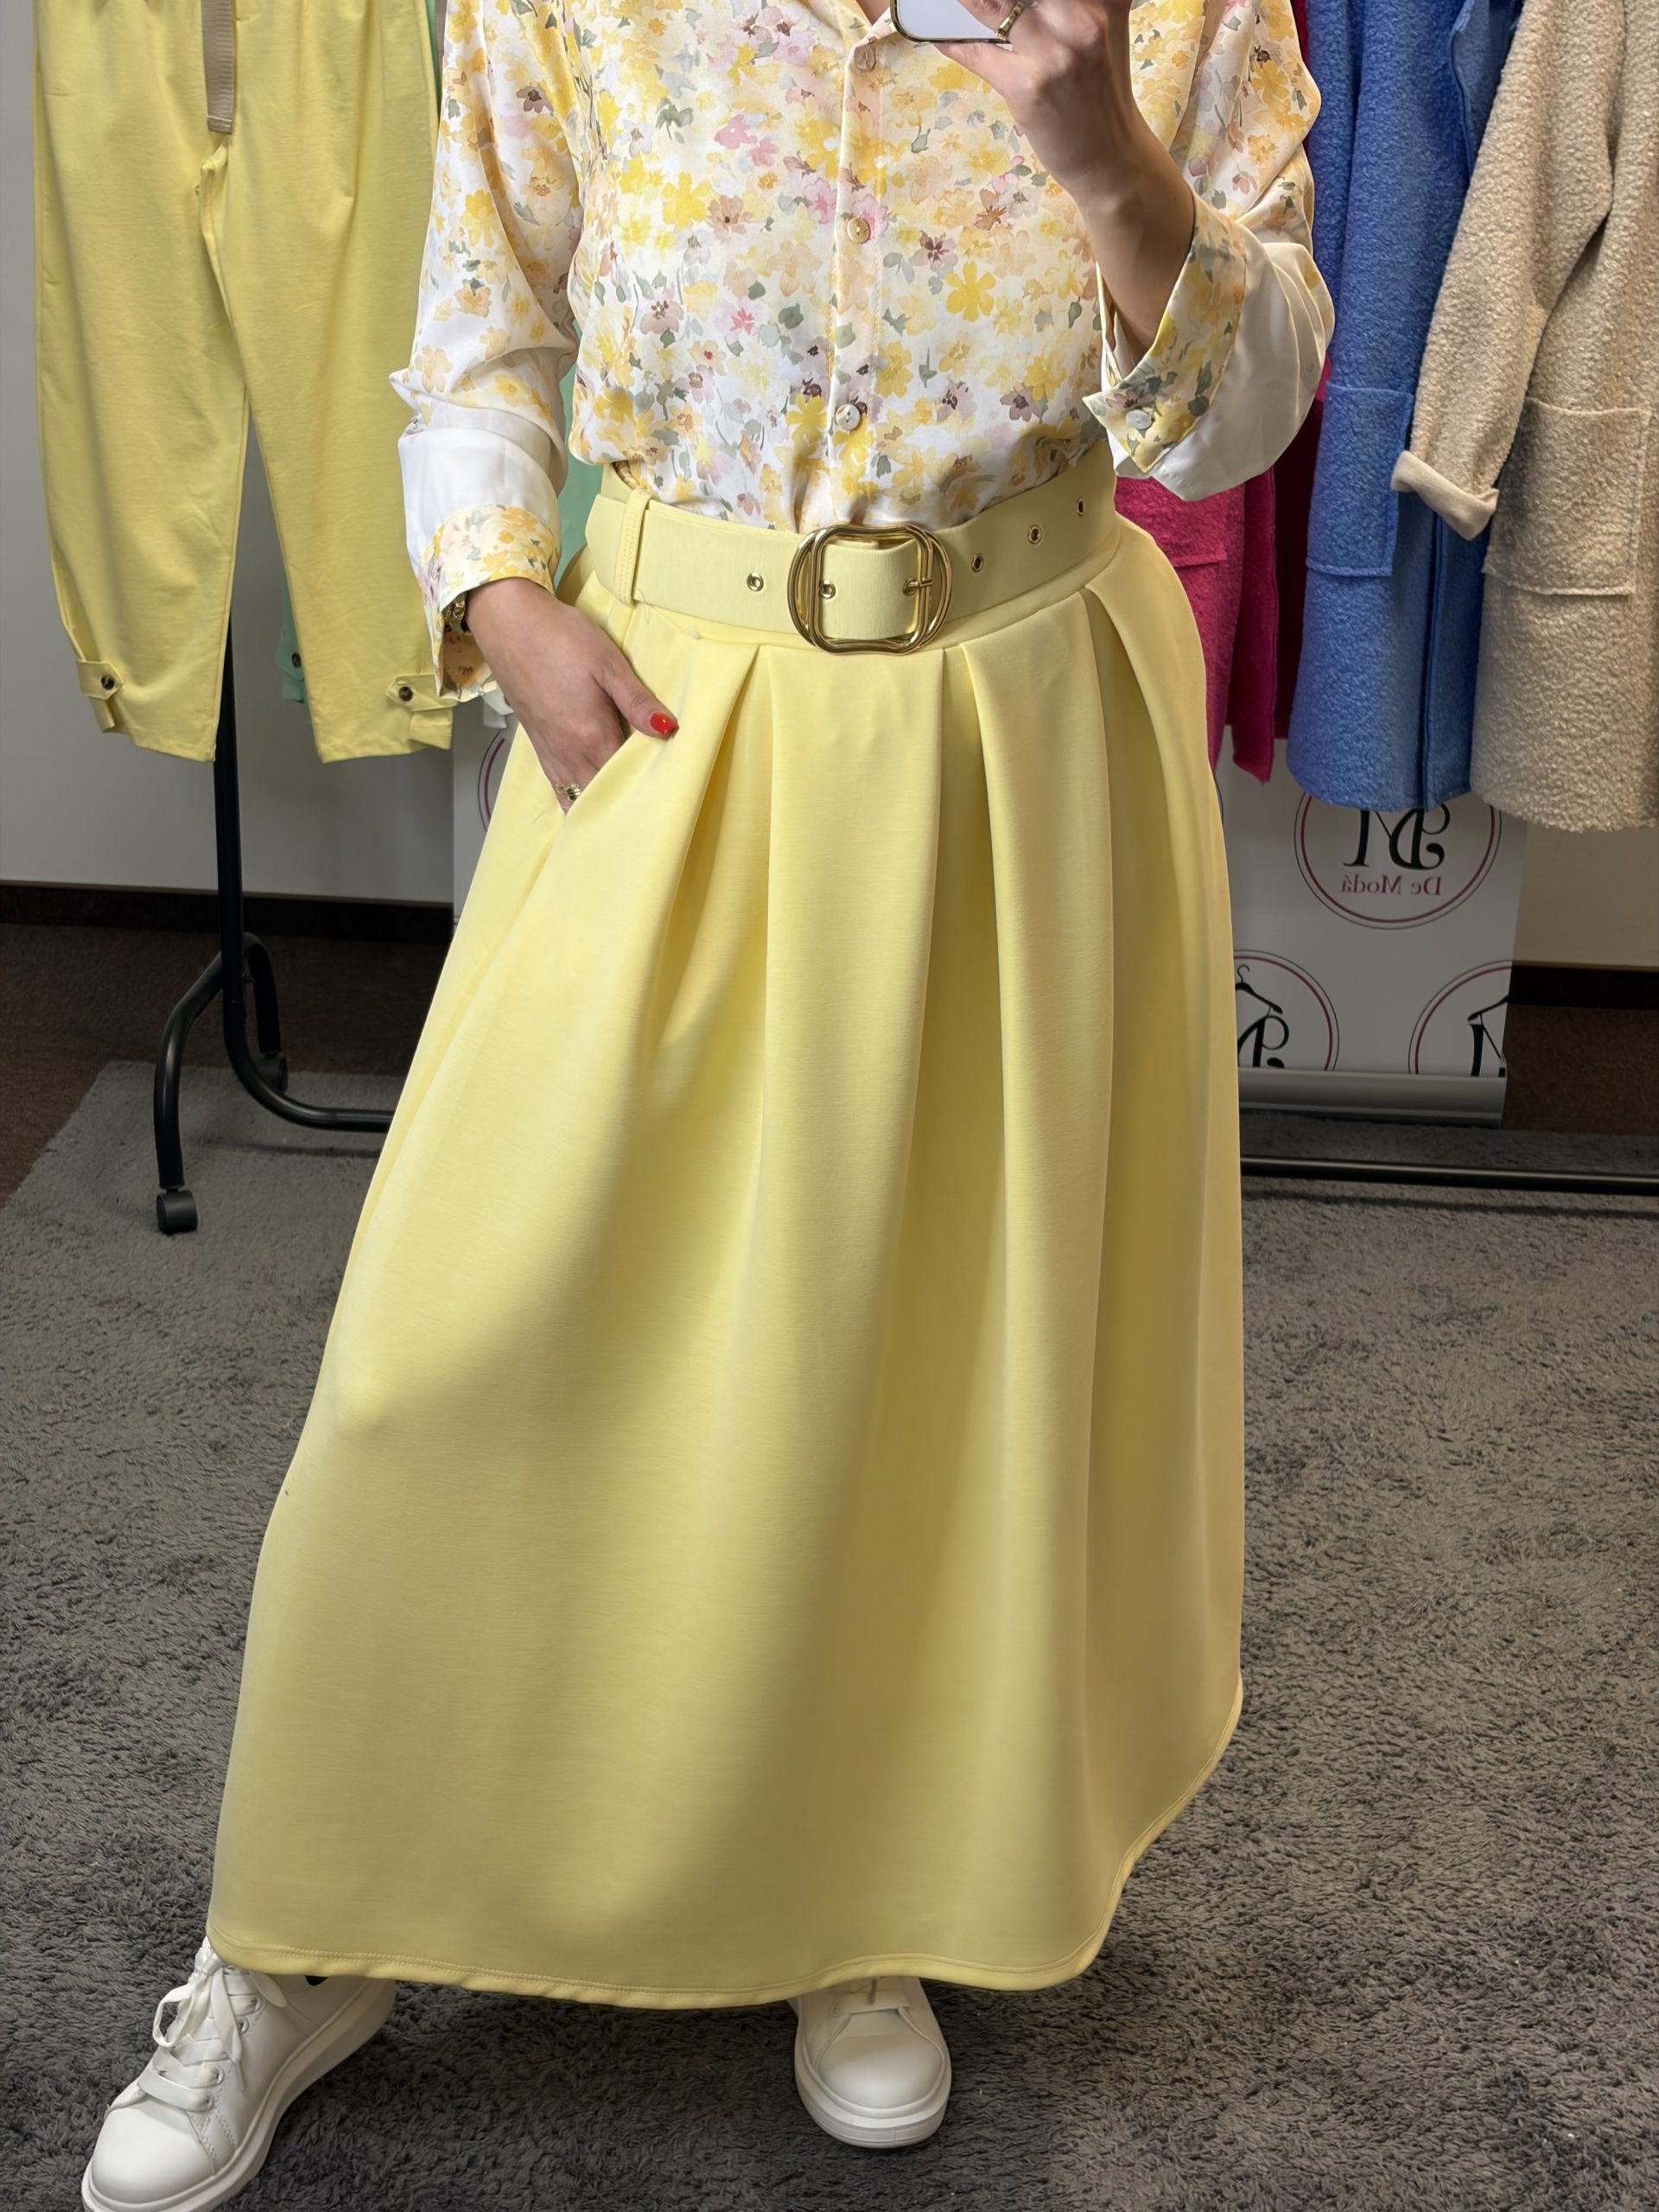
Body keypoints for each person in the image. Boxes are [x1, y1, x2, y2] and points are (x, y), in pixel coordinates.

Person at [82, 0, 1332, 2202]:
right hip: (675, 708)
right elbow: (482, 309)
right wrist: (494, 585)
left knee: (915, 1356)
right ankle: (296, 1922)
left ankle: (857, 1884)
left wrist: (1098, 144)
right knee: (458, 1333)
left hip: (1020, 730)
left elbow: (1246, 422)